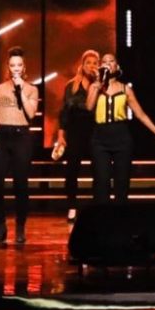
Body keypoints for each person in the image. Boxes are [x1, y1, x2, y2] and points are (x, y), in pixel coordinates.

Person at [85, 52, 155, 203]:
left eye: (111, 61)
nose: (107, 63)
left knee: (122, 183)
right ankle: (102, 220)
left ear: (116, 66)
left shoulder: (125, 89)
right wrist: (97, 84)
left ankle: (121, 220)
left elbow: (141, 115)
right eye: (104, 61)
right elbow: (89, 107)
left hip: (121, 137)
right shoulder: (95, 87)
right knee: (102, 182)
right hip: (100, 138)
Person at [0, 48, 39, 244]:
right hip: (2, 135)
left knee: (20, 184)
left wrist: (21, 90)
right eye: (12, 65)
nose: (15, 68)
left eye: (19, 65)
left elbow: (31, 113)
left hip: (21, 136)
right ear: (8, 68)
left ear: (24, 68)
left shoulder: (32, 89)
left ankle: (20, 227)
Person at [53, 50, 99, 223]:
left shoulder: (101, 85)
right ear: (82, 64)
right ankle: (72, 206)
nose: (92, 66)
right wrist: (61, 134)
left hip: (95, 130)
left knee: (98, 169)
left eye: (95, 63)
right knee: (72, 169)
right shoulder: (71, 85)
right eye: (89, 62)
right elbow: (64, 112)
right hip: (76, 130)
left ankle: (98, 206)